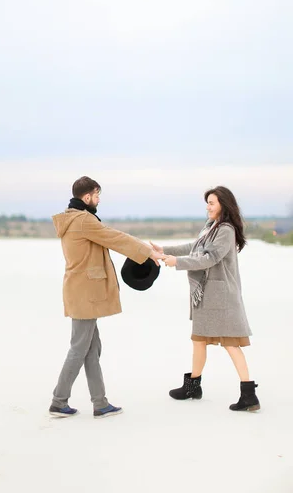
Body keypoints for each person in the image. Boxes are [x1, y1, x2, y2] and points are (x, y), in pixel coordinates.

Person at [49, 176, 162, 419]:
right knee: (80, 348)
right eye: (97, 195)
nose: (99, 199)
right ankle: (59, 401)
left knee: (91, 347)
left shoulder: (75, 219)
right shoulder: (82, 220)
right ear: (87, 197)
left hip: (81, 291)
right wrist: (147, 252)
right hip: (84, 293)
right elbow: (114, 237)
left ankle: (100, 403)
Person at [152, 186, 260, 412]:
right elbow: (194, 247)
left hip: (221, 297)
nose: (208, 207)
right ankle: (193, 386)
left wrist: (177, 263)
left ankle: (249, 395)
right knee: (199, 340)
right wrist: (165, 250)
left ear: (224, 205)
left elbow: (208, 258)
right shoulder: (211, 226)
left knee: (231, 344)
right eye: (207, 203)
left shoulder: (226, 230)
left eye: (212, 203)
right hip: (206, 295)